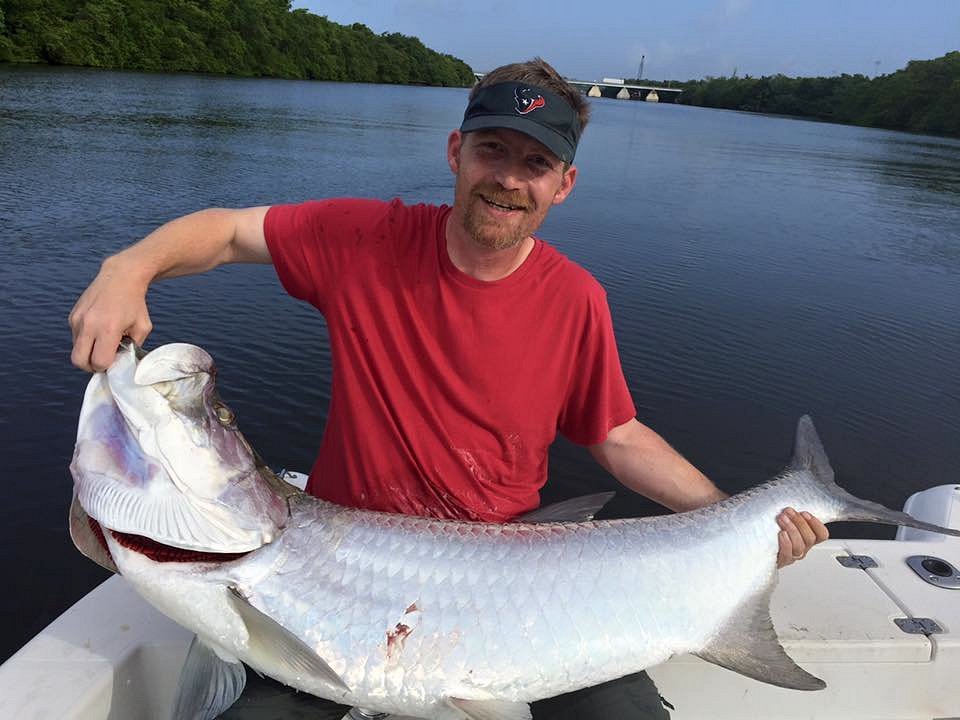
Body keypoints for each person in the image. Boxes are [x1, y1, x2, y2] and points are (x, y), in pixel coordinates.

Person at [69, 58, 829, 719]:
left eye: (535, 164)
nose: (507, 178)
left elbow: (616, 434)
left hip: (520, 578)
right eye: (492, 150)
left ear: (564, 185)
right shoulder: (365, 241)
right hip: (340, 572)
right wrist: (128, 268)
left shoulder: (576, 299)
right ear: (456, 152)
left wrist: (740, 523)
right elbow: (231, 232)